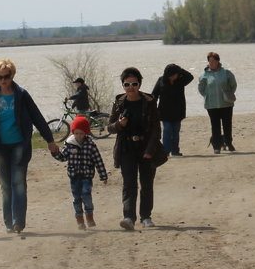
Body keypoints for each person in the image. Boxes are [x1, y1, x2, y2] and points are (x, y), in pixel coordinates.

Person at [0, 58, 61, 233]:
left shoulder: (22, 95)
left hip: (19, 145)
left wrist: (50, 140)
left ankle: (18, 222)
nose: (3, 80)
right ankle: (8, 222)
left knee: (18, 183)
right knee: (5, 184)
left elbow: (37, 117)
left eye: (6, 76)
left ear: (12, 75)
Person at [108, 67, 162, 229]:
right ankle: (129, 217)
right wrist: (119, 124)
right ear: (122, 85)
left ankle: (146, 217)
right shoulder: (119, 103)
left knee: (146, 183)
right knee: (129, 183)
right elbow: (110, 127)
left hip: (146, 147)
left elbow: (156, 129)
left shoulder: (149, 102)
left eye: (134, 83)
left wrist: (150, 150)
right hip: (126, 148)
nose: (130, 87)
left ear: (139, 84)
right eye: (127, 84)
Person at [52, 115, 109, 229]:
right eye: (76, 133)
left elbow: (98, 160)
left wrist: (103, 176)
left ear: (86, 133)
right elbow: (63, 158)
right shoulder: (69, 145)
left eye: (81, 133)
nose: (79, 136)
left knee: (86, 194)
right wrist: (55, 152)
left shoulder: (91, 145)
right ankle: (79, 220)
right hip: (74, 176)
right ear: (73, 132)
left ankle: (89, 215)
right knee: (77, 198)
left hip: (87, 176)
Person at [198, 51, 237, 153]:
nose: (211, 63)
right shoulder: (204, 75)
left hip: (226, 104)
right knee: (215, 125)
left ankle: (229, 143)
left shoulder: (226, 73)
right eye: (210, 61)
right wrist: (207, 96)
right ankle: (217, 146)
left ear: (218, 61)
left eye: (213, 61)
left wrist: (228, 94)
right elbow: (201, 89)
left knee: (227, 124)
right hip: (211, 105)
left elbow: (233, 85)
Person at [152, 63, 194, 157]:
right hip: (164, 111)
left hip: (178, 111)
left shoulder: (181, 80)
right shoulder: (161, 80)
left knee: (175, 131)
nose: (172, 77)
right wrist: (152, 108)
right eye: (171, 75)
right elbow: (154, 95)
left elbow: (190, 77)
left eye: (174, 75)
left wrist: (179, 69)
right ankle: (166, 151)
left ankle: (175, 150)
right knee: (167, 130)